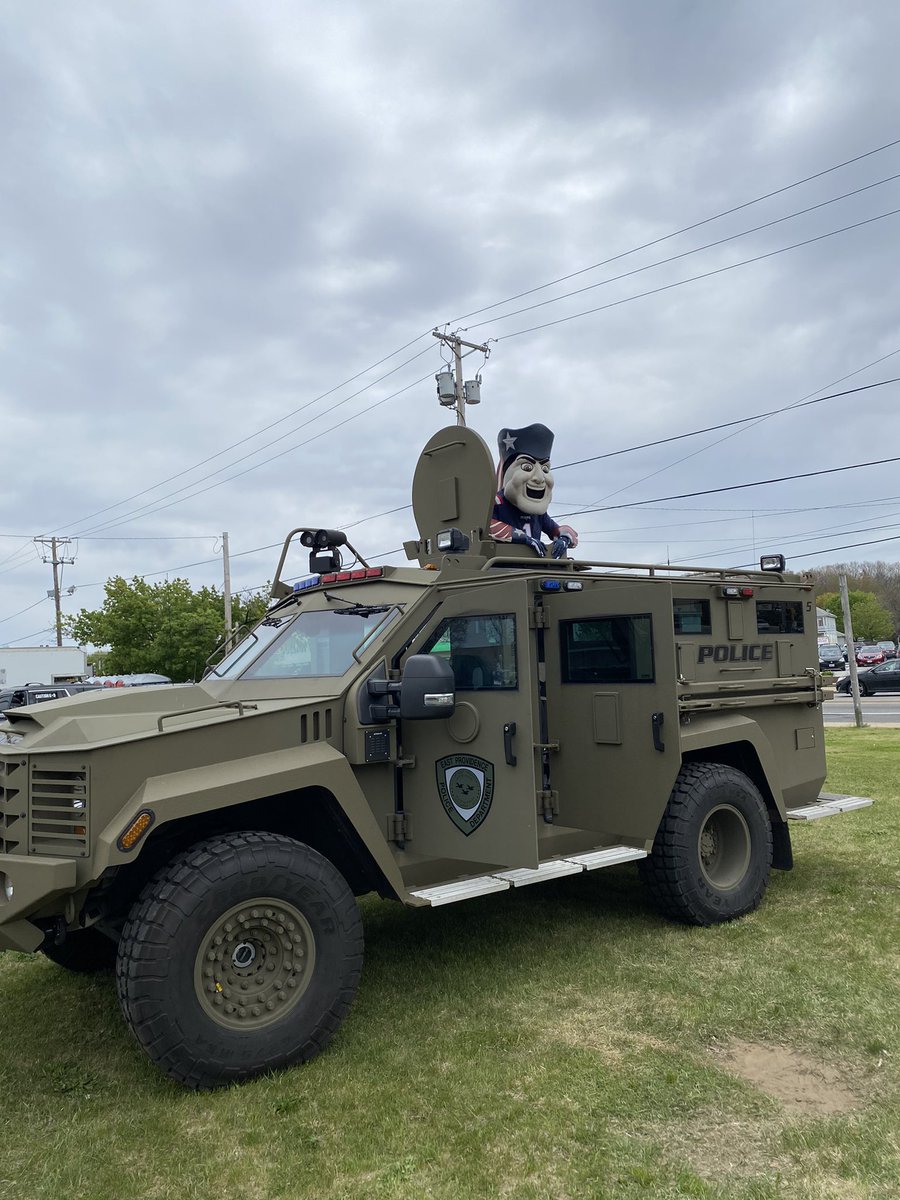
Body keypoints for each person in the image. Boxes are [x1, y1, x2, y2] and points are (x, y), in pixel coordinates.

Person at [489, 423, 578, 558]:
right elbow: (485, 526)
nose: (539, 478)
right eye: (527, 467)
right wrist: (522, 537)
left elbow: (557, 529)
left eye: (545, 469)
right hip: (502, 566)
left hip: (533, 566)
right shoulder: (497, 503)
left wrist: (564, 538)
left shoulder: (537, 513)